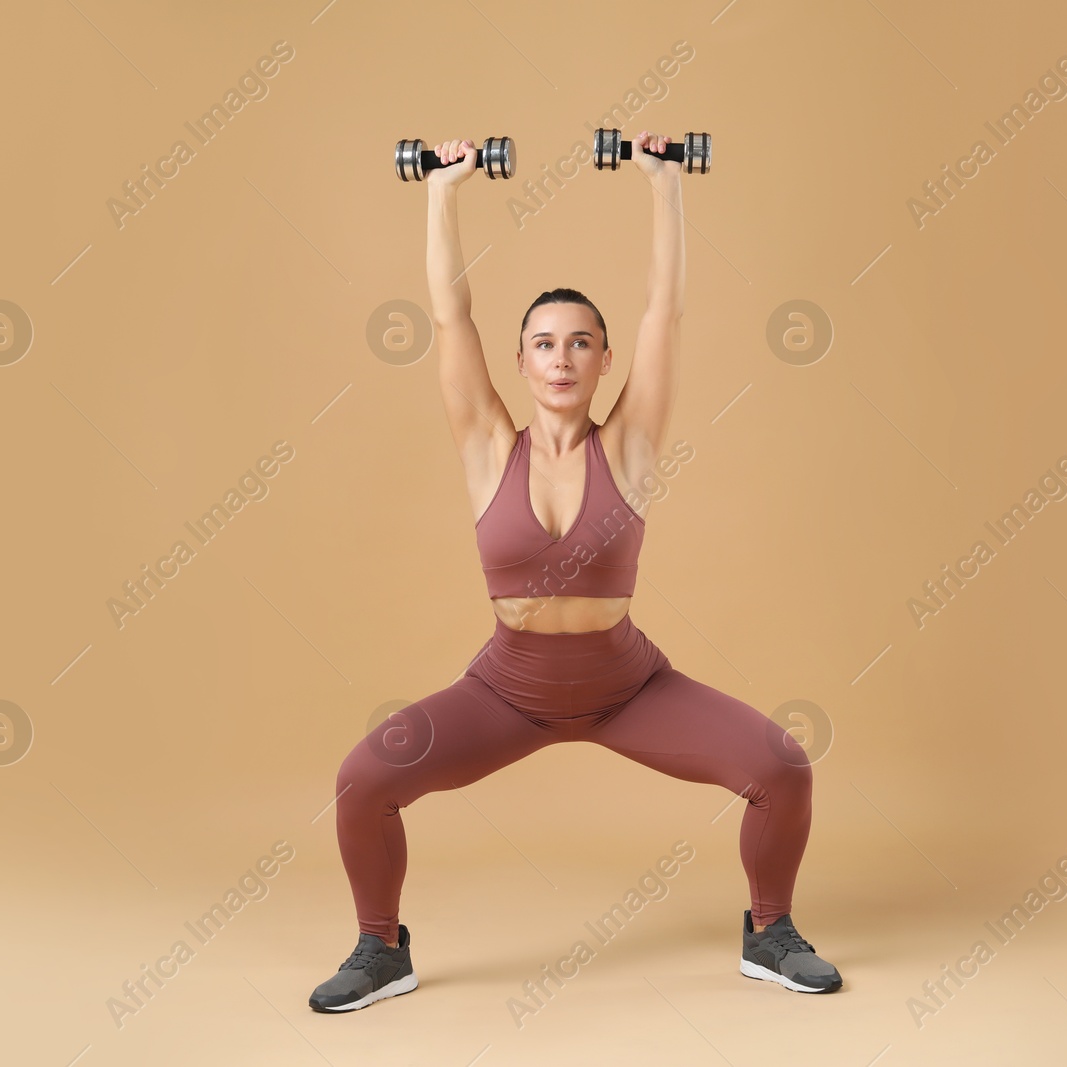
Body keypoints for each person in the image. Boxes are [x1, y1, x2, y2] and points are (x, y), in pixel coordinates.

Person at [309, 132, 841, 1013]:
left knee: (784, 768)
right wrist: (442, 190)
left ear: (602, 362)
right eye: (544, 343)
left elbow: (663, 311)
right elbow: (450, 315)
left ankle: (772, 931)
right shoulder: (487, 447)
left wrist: (664, 183)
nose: (561, 358)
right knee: (363, 780)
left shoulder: (629, 447)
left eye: (581, 343)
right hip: (505, 691)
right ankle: (379, 948)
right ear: (520, 363)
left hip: (628, 687)